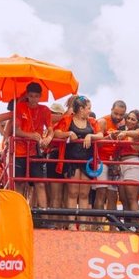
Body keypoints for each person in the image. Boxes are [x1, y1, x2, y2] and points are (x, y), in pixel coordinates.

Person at [53, 96, 103, 227]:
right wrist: (68, 133)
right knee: (72, 192)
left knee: (84, 193)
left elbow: (101, 135)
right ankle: (70, 223)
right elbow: (57, 132)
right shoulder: (68, 119)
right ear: (81, 109)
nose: (89, 111)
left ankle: (82, 223)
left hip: (87, 161)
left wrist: (90, 135)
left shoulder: (92, 121)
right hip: (71, 161)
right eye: (88, 108)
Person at [13, 82, 54, 207]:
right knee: (19, 183)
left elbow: (51, 129)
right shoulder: (20, 107)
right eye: (31, 96)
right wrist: (32, 136)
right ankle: (19, 212)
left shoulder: (45, 109)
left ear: (40, 96)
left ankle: (45, 214)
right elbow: (16, 130)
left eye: (36, 96)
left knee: (40, 183)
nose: (33, 99)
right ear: (27, 95)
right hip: (20, 151)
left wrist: (48, 138)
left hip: (35, 152)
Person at [94, 100, 127, 214]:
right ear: (111, 110)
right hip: (101, 161)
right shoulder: (103, 121)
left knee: (113, 195)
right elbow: (96, 143)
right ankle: (97, 225)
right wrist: (110, 137)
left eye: (121, 115)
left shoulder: (124, 125)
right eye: (116, 113)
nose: (118, 117)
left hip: (114, 163)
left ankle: (112, 227)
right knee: (101, 192)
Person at [113, 110, 139, 212]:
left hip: (133, 164)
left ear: (138, 122)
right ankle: (128, 226)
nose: (130, 120)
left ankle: (136, 226)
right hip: (121, 165)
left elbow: (138, 134)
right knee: (123, 199)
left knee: (132, 198)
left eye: (133, 119)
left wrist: (125, 133)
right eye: (128, 118)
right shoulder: (122, 131)